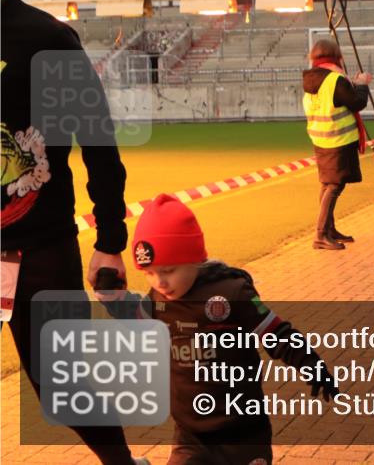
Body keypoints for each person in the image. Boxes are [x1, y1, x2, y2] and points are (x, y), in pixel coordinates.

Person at [0, 0, 144, 465]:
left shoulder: (46, 40)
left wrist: (110, 239)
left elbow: (97, 137)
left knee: (63, 384)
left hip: (37, 247)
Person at [101, 194, 339, 465]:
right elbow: (135, 318)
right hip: (191, 437)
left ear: (193, 258)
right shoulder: (158, 299)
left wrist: (313, 366)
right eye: (149, 273)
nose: (160, 282)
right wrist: (108, 293)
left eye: (168, 270)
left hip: (242, 434)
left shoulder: (231, 292)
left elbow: (277, 335)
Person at [302, 39, 371, 250]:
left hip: (321, 139)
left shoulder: (312, 79)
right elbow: (357, 103)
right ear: (336, 56)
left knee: (327, 184)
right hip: (338, 140)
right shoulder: (334, 80)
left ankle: (329, 229)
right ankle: (321, 234)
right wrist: (362, 85)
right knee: (334, 185)